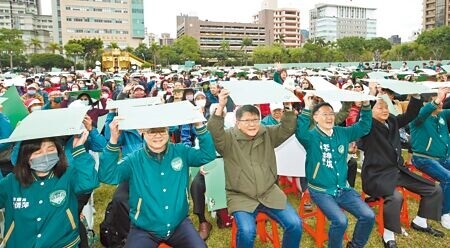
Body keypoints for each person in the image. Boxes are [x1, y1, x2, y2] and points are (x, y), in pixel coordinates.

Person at [99, 116, 216, 247]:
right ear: (142, 131)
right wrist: (113, 139)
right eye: (151, 131)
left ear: (168, 130)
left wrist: (199, 125)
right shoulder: (134, 160)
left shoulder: (181, 151)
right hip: (144, 229)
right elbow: (107, 175)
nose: (157, 136)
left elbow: (208, 154)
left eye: (161, 130)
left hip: (179, 224)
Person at [207, 89, 302, 248]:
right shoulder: (228, 138)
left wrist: (287, 106)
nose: (252, 124)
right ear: (237, 122)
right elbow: (214, 132)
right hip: (241, 195)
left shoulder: (267, 133)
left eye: (255, 119)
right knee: (247, 230)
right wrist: (221, 106)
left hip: (269, 191)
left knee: (295, 223)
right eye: (246, 120)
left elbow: (287, 128)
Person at [360, 88, 444, 247]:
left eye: (386, 107)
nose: (384, 110)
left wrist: (416, 94)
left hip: (397, 171)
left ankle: (420, 222)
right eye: (379, 107)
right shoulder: (366, 126)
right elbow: (363, 123)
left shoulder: (391, 120)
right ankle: (388, 235)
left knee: (434, 189)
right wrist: (368, 99)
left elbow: (410, 115)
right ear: (370, 111)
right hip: (376, 175)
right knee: (395, 197)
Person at [295, 94, 374, 248]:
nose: (329, 117)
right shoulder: (311, 137)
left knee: (368, 215)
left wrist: (365, 105)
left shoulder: (341, 132)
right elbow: (301, 132)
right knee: (340, 220)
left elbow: (364, 126)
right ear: (315, 117)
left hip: (343, 188)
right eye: (324, 114)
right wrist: (306, 107)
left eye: (331, 113)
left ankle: (355, 245)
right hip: (321, 190)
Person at [0, 131, 99, 247]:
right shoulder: (12, 181)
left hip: (62, 243)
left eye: (51, 149)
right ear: (25, 156)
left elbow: (89, 183)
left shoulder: (67, 174)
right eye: (37, 152)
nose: (45, 155)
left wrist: (79, 150)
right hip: (21, 243)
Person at [410, 87, 450, 230]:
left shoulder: (442, 115)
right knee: (448, 177)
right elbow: (422, 113)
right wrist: (438, 98)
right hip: (423, 158)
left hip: (443, 158)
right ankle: (445, 213)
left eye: (441, 101)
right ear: (427, 103)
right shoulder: (418, 118)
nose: (440, 104)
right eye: (436, 101)